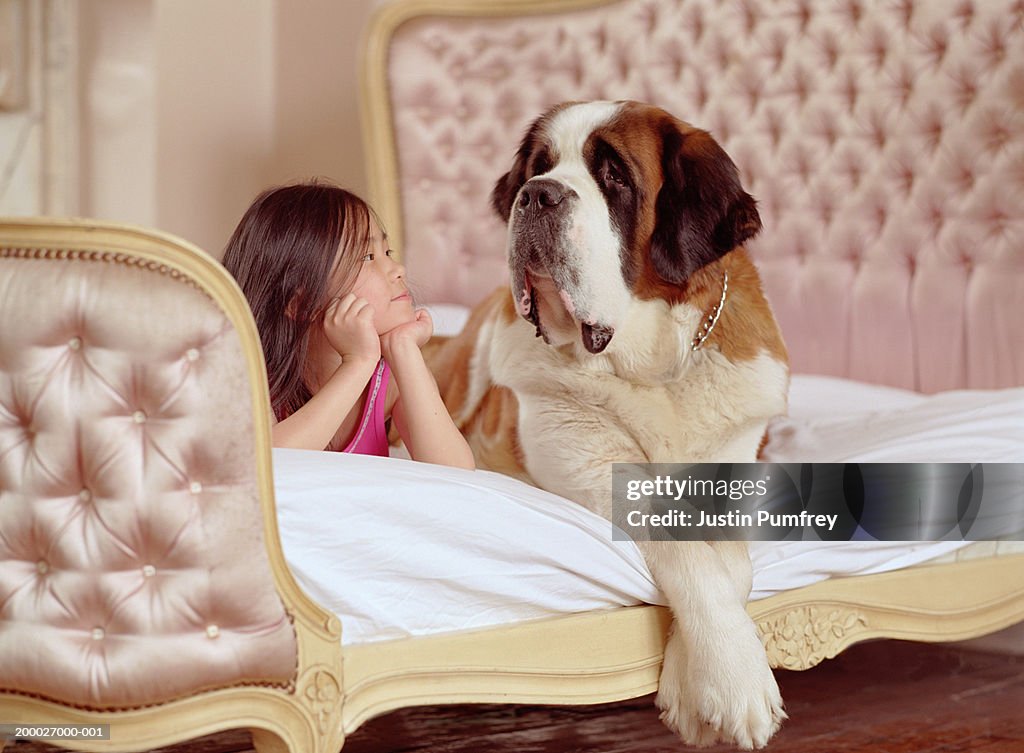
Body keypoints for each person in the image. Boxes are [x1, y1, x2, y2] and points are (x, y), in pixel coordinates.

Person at [222, 180, 475, 470]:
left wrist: (405, 350)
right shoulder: (252, 374)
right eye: (367, 257)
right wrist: (357, 363)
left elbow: (456, 472)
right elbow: (272, 468)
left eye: (387, 253)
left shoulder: (388, 376)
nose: (398, 270)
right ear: (300, 302)